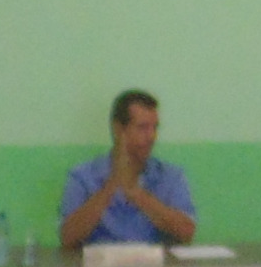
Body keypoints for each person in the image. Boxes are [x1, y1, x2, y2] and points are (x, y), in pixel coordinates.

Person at [60, 90, 198, 249]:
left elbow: (187, 233)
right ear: (118, 130)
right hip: (99, 263)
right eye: (142, 127)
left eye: (155, 127)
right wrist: (112, 185)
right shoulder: (82, 177)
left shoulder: (171, 176)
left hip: (153, 263)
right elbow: (67, 238)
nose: (151, 136)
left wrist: (136, 192)